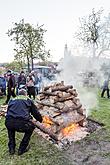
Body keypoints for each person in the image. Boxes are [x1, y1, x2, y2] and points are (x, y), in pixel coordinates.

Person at [5, 89, 42, 155]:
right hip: (23, 124)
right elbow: (35, 113)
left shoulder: (12, 100)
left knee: (10, 131)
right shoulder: (28, 100)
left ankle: (11, 149)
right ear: (26, 94)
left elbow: (8, 112)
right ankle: (22, 149)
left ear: (18, 94)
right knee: (31, 127)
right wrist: (40, 120)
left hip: (9, 122)